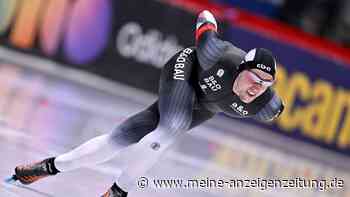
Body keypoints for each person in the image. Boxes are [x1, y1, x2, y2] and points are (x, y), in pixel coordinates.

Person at [8, 10, 284, 197]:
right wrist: (210, 20)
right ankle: (118, 193)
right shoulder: (218, 55)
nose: (257, 87)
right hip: (186, 71)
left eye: (265, 84)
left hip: (204, 106)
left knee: (122, 137)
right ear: (241, 68)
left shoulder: (265, 105)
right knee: (170, 128)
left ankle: (46, 167)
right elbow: (206, 17)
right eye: (255, 77)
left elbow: (274, 103)